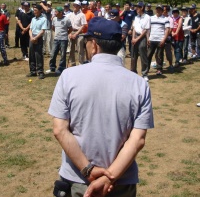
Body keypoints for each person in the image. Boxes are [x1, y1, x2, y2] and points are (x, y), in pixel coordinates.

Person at [48, 17, 154, 196]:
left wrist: (87, 169)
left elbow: (60, 130)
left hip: (77, 180)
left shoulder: (69, 76)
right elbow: (137, 140)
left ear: (94, 45)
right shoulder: (139, 84)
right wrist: (110, 176)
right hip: (120, 181)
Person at [144, 4, 170, 78]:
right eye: (157, 9)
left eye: (160, 9)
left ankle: (159, 69)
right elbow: (148, 29)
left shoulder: (165, 19)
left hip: (160, 39)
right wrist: (148, 38)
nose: (158, 11)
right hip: (151, 39)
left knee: (159, 55)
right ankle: (147, 68)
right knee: (148, 55)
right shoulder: (151, 18)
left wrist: (164, 39)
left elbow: (167, 30)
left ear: (162, 11)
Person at [47, 6, 72, 76]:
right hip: (56, 39)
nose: (55, 13)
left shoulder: (66, 20)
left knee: (63, 55)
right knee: (53, 54)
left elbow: (70, 29)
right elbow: (53, 27)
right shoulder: (54, 19)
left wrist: (65, 34)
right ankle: (52, 67)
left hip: (64, 39)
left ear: (61, 13)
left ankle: (61, 68)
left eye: (56, 12)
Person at [27, 5, 47, 79]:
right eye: (33, 10)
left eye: (35, 10)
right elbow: (30, 29)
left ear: (40, 10)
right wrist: (32, 37)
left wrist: (35, 38)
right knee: (31, 54)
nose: (34, 11)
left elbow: (42, 30)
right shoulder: (33, 19)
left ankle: (40, 72)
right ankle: (33, 71)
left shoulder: (43, 19)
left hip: (38, 37)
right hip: (32, 37)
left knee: (38, 55)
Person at [130, 2, 150, 76]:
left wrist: (137, 39)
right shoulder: (136, 17)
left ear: (142, 8)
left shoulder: (147, 17)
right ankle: (133, 72)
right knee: (133, 55)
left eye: (138, 7)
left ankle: (144, 73)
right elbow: (134, 28)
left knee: (143, 55)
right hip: (135, 36)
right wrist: (133, 37)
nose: (136, 9)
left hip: (142, 37)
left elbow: (145, 30)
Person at [68, 0, 87, 67]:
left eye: (76, 5)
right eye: (73, 5)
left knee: (80, 50)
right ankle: (72, 63)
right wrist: (69, 33)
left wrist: (76, 34)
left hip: (79, 33)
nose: (74, 6)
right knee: (71, 49)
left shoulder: (82, 15)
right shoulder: (70, 14)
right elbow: (68, 25)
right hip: (71, 32)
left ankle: (81, 63)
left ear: (79, 7)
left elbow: (83, 25)